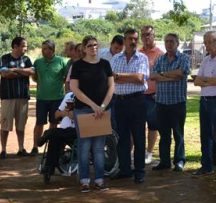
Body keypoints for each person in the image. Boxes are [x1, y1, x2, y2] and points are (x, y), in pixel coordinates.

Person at [70, 35, 115, 193]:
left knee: (98, 147)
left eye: (95, 45)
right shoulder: (78, 66)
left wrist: (102, 106)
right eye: (90, 45)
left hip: (102, 111)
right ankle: (84, 180)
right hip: (83, 110)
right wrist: (93, 105)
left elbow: (111, 87)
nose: (93, 48)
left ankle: (100, 180)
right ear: (84, 48)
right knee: (84, 146)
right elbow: (74, 88)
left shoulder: (105, 64)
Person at [110, 29, 151, 183]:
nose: (133, 42)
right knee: (123, 138)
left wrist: (119, 76)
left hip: (137, 101)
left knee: (139, 137)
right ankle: (125, 169)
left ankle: (139, 171)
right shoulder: (116, 58)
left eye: (135, 39)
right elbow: (111, 78)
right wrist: (129, 78)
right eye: (129, 39)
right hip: (119, 101)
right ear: (125, 40)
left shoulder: (142, 58)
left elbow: (140, 78)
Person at [150, 33, 191, 172]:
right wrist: (169, 76)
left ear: (177, 43)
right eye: (167, 41)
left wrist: (162, 75)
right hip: (161, 103)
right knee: (164, 134)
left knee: (178, 134)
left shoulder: (184, 58)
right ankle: (164, 161)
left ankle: (179, 161)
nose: (169, 44)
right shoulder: (160, 59)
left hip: (178, 102)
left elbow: (180, 74)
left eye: (172, 41)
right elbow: (153, 76)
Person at [193, 31, 216, 178]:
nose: (207, 46)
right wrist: (210, 79)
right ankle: (206, 166)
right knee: (205, 135)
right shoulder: (206, 60)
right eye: (205, 42)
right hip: (204, 101)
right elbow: (196, 81)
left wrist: (204, 79)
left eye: (209, 42)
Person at [0, 36, 34, 158]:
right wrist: (22, 72)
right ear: (15, 46)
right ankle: (3, 150)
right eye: (24, 46)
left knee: (21, 125)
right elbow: (4, 73)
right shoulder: (4, 58)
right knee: (5, 125)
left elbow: (32, 72)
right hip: (7, 97)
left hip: (23, 97)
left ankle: (21, 148)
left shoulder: (27, 59)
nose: (26, 48)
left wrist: (15, 70)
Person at [31, 40, 68, 155]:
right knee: (39, 123)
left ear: (52, 50)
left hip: (57, 98)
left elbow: (66, 78)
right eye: (42, 49)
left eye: (45, 49)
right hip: (42, 98)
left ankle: (51, 147)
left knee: (53, 123)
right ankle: (35, 146)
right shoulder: (37, 62)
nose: (43, 51)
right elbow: (35, 77)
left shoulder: (61, 61)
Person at [37, 92, 77, 184]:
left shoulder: (87, 96)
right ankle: (48, 168)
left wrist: (75, 115)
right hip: (63, 131)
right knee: (55, 138)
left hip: (76, 130)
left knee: (54, 134)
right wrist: (64, 113)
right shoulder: (69, 96)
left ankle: (48, 133)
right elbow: (56, 114)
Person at [140, 25, 164, 164]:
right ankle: (139, 151)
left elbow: (162, 75)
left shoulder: (160, 54)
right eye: (144, 35)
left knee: (153, 125)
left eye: (149, 34)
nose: (146, 37)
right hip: (139, 94)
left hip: (153, 95)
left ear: (154, 35)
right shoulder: (138, 52)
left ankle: (149, 153)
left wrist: (159, 92)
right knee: (138, 125)